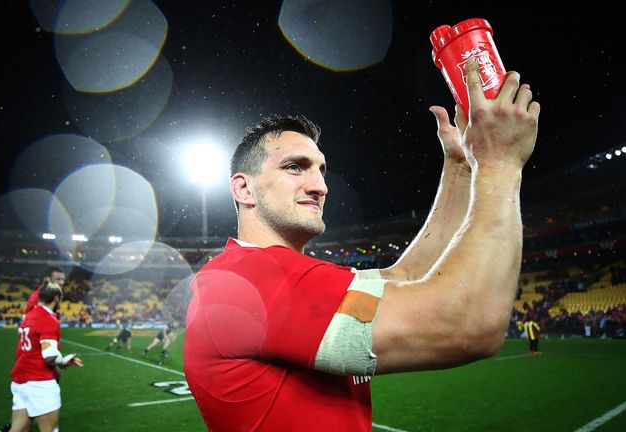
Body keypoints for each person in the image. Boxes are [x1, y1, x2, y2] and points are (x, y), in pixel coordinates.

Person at [184, 57, 540, 431]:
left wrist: (462, 167)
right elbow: (468, 324)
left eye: (320, 170)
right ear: (243, 188)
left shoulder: (270, 276)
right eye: (294, 167)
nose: (320, 186)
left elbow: (403, 275)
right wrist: (500, 164)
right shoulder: (246, 279)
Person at [9, 282, 83, 432]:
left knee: (19, 429)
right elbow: (49, 355)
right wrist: (63, 361)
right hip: (40, 382)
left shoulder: (28, 316)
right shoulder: (48, 319)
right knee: (50, 430)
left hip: (20, 382)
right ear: (56, 298)